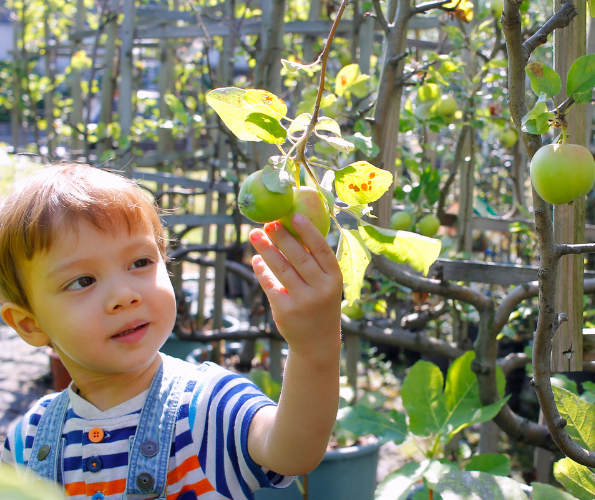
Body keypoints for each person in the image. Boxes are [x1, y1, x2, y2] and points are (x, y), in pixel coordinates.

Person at [0, 163, 343, 500]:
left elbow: (293, 452)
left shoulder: (209, 405)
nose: (124, 295)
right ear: (30, 324)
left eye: (140, 262)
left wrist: (314, 349)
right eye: (82, 281)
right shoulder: (25, 444)